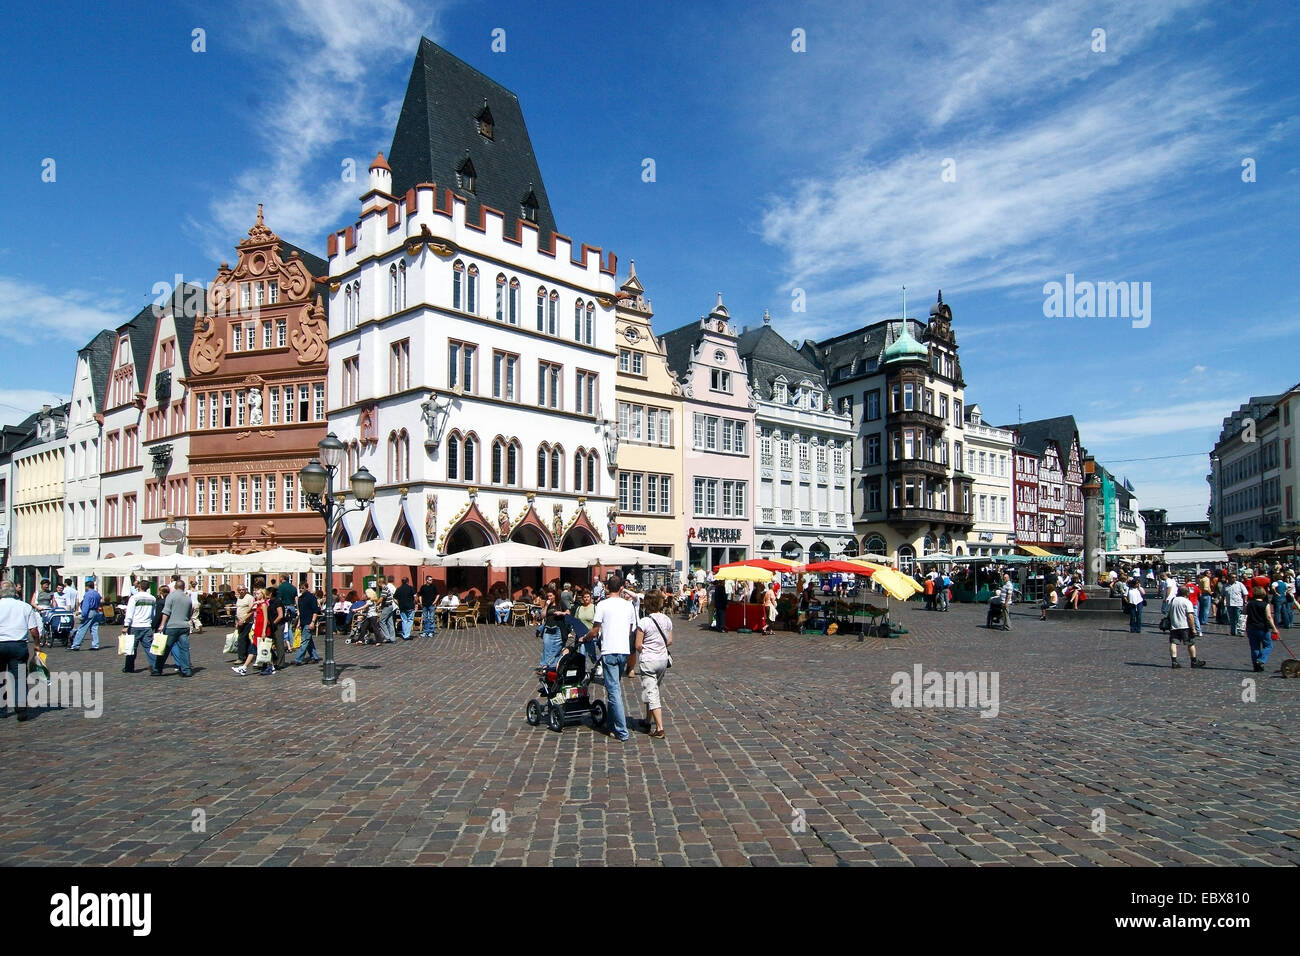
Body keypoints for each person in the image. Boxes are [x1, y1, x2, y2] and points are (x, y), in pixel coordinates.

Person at [581, 572, 636, 742]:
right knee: (614, 687)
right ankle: (611, 724)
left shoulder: (603, 605)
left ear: (606, 588)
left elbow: (596, 630)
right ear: (621, 588)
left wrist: (586, 637)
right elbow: (630, 629)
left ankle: (622, 731)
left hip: (609, 650)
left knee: (614, 691)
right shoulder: (628, 606)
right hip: (623, 651)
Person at [0, 579, 42, 721]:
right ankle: (21, 709)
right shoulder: (24, 607)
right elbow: (34, 630)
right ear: (14, 591)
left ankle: (1, 709)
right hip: (18, 645)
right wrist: (37, 644)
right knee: (19, 678)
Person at [634, 589, 673, 739]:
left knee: (652, 692)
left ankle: (660, 728)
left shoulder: (644, 622)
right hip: (663, 660)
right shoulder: (667, 620)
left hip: (649, 660)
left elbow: (638, 644)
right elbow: (669, 641)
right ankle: (647, 719)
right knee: (651, 689)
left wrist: (647, 648)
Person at [155, 579, 195, 677]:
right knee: (184, 649)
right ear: (184, 587)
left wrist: (162, 625)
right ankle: (186, 670)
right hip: (184, 626)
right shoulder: (187, 598)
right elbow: (190, 613)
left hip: (172, 626)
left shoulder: (171, 596)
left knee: (165, 648)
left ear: (175, 587)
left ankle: (158, 669)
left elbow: (166, 611)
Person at [120, 581, 158, 674]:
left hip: (135, 626)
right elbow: (153, 614)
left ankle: (129, 667)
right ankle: (155, 667)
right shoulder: (152, 598)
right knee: (149, 648)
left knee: (131, 648)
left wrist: (126, 625)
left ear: (139, 587)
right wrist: (151, 622)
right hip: (147, 625)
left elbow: (129, 613)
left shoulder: (134, 598)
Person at [233, 588, 272, 675]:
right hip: (257, 628)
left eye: (258, 594)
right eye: (256, 594)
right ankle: (244, 668)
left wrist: (264, 631)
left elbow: (266, 618)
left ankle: (245, 667)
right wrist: (254, 603)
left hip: (262, 628)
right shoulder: (258, 604)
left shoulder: (264, 605)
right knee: (256, 648)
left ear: (262, 594)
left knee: (260, 648)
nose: (256, 595)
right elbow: (248, 611)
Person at [1166, 585, 1205, 669]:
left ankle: (1174, 661)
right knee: (1191, 643)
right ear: (1187, 593)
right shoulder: (1187, 602)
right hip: (1185, 626)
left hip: (1174, 625)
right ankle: (1194, 661)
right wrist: (1193, 628)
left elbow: (1169, 613)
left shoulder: (1173, 600)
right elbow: (1190, 616)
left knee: (1173, 643)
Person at [535, 586, 568, 674]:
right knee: (546, 647)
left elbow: (568, 612)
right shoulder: (548, 604)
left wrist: (561, 613)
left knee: (556, 648)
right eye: (548, 596)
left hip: (558, 628)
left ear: (555, 595)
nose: (549, 598)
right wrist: (546, 605)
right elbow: (542, 616)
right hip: (548, 628)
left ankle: (551, 667)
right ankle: (546, 666)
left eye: (551, 596)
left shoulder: (560, 603)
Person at [1244, 586, 1277, 673]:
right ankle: (1261, 660)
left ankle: (1256, 666)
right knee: (1268, 646)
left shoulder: (1249, 604)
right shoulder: (1265, 605)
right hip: (1262, 628)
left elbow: (1244, 612)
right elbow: (1269, 617)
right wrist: (1274, 628)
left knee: (1255, 647)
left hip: (1251, 627)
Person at [70, 577, 103, 651]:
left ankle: (76, 645)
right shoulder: (97, 594)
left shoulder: (88, 594)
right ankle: (95, 645)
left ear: (87, 587)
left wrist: (83, 615)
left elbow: (86, 606)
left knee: (82, 628)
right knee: (94, 628)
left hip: (89, 612)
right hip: (96, 611)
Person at [295, 586, 322, 665]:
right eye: (300, 588)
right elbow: (301, 613)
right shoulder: (300, 599)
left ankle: (298, 659)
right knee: (308, 640)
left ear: (306, 588)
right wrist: (299, 623)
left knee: (305, 640)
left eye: (302, 588)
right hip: (303, 621)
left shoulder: (311, 598)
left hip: (309, 621)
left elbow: (315, 611)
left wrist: (313, 622)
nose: (301, 589)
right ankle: (314, 656)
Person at [233, 584, 255, 663]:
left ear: (246, 590)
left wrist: (243, 619)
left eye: (243, 589)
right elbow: (238, 610)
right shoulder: (239, 598)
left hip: (247, 622)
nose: (241, 591)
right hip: (240, 622)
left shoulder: (249, 598)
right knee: (246, 639)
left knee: (241, 638)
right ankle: (248, 654)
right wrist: (237, 621)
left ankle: (241, 657)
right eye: (239, 590)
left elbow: (252, 610)